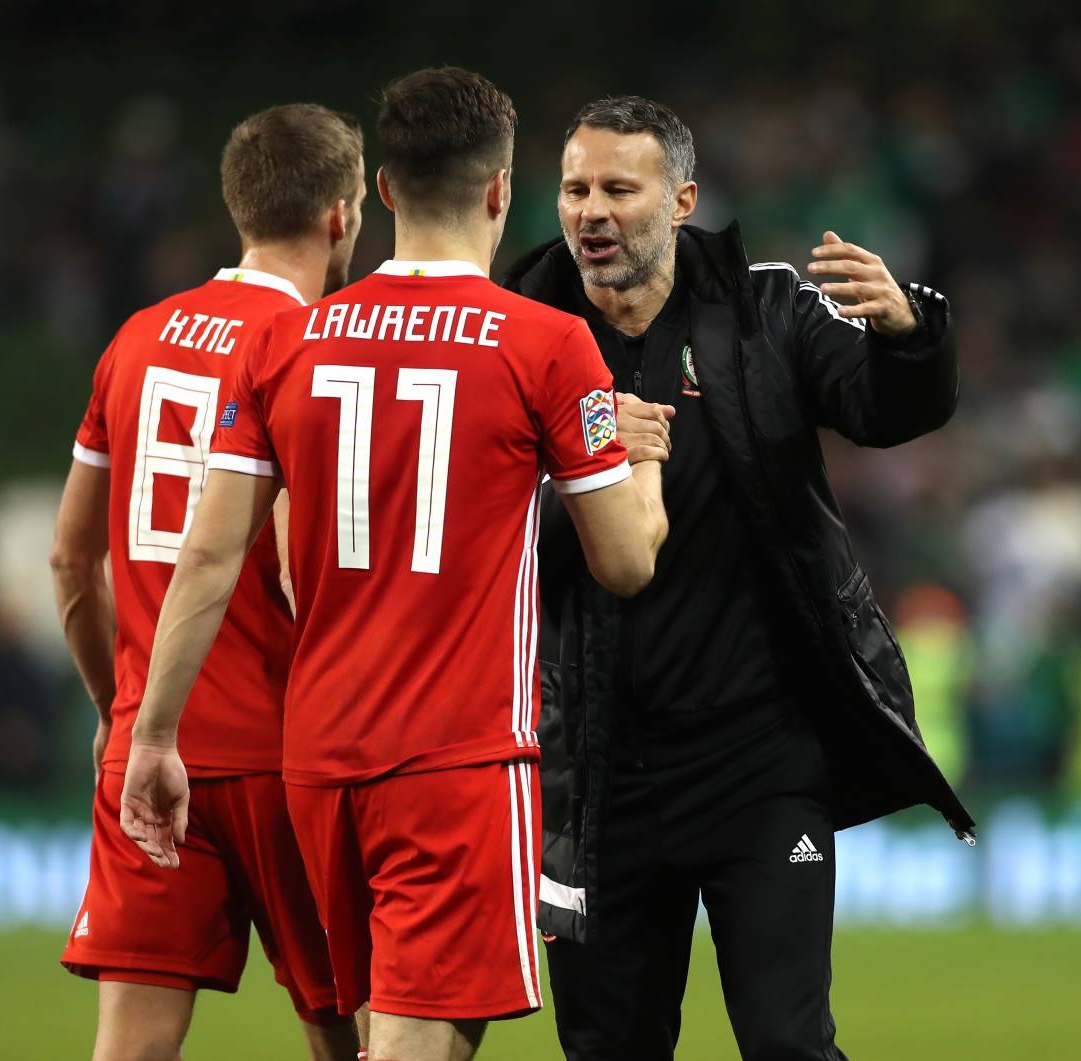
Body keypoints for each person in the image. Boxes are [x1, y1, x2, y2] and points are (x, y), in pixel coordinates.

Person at [116, 67, 669, 1061]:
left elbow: (209, 552)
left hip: (318, 766)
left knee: (374, 1038)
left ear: (381, 193)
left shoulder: (286, 341)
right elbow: (625, 562)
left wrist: (155, 735)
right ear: (501, 190)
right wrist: (643, 461)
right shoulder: (547, 345)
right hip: (453, 764)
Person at [500, 96, 973, 1061]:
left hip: (759, 763)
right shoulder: (518, 326)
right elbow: (475, 515)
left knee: (790, 1045)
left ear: (681, 201)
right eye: (575, 187)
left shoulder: (765, 310)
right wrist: (576, 473)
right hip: (594, 777)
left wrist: (907, 334)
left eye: (618, 189)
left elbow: (883, 408)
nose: (590, 210)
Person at [50, 102, 364, 1061]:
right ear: (343, 216)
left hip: (154, 752)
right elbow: (311, 572)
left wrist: (122, 706)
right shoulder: (323, 352)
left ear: (239, 207)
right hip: (287, 752)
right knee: (346, 1032)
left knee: (131, 1048)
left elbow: (71, 558)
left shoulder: (135, 341)